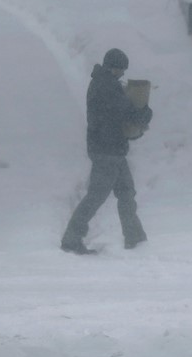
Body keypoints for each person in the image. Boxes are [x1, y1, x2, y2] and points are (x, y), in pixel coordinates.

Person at [60, 47, 152, 254]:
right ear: (114, 67)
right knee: (96, 195)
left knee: (126, 193)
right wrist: (144, 113)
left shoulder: (106, 83)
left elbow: (122, 111)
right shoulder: (105, 86)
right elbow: (125, 111)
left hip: (113, 150)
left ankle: (135, 239)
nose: (123, 74)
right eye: (121, 70)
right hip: (106, 151)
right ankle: (71, 239)